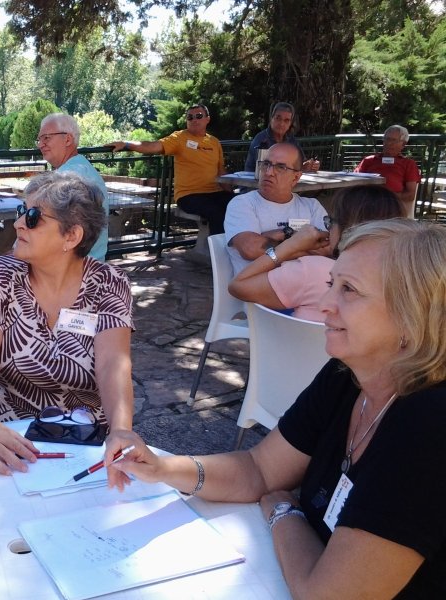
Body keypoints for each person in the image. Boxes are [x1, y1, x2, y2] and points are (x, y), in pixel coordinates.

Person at [111, 219, 446, 598]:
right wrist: (163, 467)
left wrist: (285, 513)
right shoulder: (349, 377)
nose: (324, 303)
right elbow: (260, 470)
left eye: (349, 290)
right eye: (331, 283)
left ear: (413, 317)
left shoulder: (429, 426)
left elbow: (327, 595)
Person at [0, 171, 134, 487]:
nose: (18, 223)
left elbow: (114, 364)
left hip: (83, 436)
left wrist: (121, 430)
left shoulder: (109, 284)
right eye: (21, 212)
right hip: (5, 429)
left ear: (72, 236)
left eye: (33, 217)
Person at [228, 185, 404, 321]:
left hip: (295, 354)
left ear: (346, 227)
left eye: (330, 222)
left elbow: (238, 286)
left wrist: (290, 246)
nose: (328, 229)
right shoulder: (401, 274)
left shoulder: (312, 270)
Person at [108, 103, 233, 235]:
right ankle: (219, 247)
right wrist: (126, 144)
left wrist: (230, 193)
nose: (194, 120)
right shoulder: (179, 138)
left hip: (214, 192)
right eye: (190, 117)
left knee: (238, 204)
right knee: (216, 213)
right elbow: (152, 146)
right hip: (189, 195)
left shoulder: (214, 142)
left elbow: (221, 171)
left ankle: (238, 244)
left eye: (199, 116)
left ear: (207, 119)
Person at [225, 142, 329, 275]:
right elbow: (250, 248)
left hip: (304, 283)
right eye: (266, 164)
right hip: (257, 285)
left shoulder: (311, 206)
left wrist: (271, 238)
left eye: (280, 167)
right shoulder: (242, 204)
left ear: (296, 177)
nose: (269, 172)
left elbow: (328, 247)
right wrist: (301, 242)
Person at [37, 113, 109, 261]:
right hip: (90, 263)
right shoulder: (81, 167)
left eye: (46, 138)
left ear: (68, 139)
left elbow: (44, 235)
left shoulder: (67, 178)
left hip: (72, 268)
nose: (40, 144)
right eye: (39, 139)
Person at [355, 125, 421, 218]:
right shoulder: (369, 160)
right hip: (366, 204)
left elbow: (410, 195)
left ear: (403, 144)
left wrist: (386, 198)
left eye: (394, 140)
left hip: (391, 207)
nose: (389, 143)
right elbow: (355, 182)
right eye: (387, 139)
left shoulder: (408, 164)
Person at [244, 102, 320, 172]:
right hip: (256, 180)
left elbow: (301, 162)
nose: (281, 124)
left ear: (290, 124)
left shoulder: (291, 139)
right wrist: (299, 168)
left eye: (286, 120)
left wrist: (310, 165)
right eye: (278, 118)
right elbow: (265, 169)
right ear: (271, 119)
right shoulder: (261, 139)